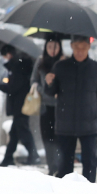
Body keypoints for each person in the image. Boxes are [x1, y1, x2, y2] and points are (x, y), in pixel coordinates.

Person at [43, 35, 97, 183]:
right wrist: (48, 82)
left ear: (88, 48)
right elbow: (50, 92)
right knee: (64, 165)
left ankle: (88, 193)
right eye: (77, 48)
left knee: (90, 163)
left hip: (89, 122)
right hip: (65, 122)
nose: (80, 51)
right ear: (72, 47)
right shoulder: (61, 67)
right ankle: (63, 193)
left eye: (83, 48)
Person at [0, 46, 38, 167]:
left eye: (5, 56)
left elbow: (14, 87)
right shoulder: (20, 66)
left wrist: (1, 86)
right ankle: (8, 158)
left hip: (20, 105)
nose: (5, 59)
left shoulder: (18, 67)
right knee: (14, 133)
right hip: (20, 105)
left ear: (9, 54)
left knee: (23, 132)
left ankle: (34, 156)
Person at [33, 37, 64, 173]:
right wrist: (44, 90)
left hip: (61, 106)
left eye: (55, 47)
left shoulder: (64, 61)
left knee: (60, 138)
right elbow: (34, 81)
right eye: (50, 46)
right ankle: (51, 166)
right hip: (45, 106)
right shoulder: (41, 62)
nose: (52, 50)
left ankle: (60, 166)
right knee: (47, 137)